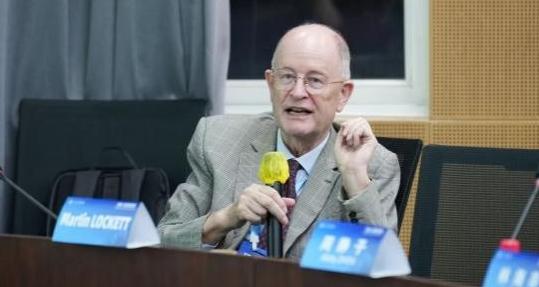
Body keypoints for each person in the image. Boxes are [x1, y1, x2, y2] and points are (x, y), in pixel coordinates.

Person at [158, 23, 400, 261]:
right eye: (287, 77)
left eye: (315, 80)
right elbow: (162, 241)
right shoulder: (217, 140)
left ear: (343, 95)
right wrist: (225, 218)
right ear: (270, 83)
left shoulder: (373, 165)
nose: (298, 92)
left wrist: (355, 178)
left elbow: (383, 266)